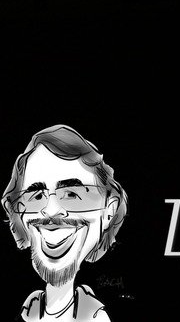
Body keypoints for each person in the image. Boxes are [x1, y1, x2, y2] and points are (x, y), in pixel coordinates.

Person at [5, 127, 123, 320]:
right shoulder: (29, 307)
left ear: (108, 210)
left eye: (71, 194)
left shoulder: (94, 317)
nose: (50, 210)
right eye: (36, 196)